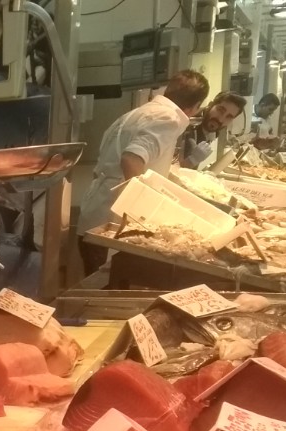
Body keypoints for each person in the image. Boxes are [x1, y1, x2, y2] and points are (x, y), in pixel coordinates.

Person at [77, 70, 210, 276]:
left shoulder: (138, 113)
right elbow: (131, 159)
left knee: (97, 283)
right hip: (112, 221)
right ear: (195, 106)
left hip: (97, 211)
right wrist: (143, 213)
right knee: (106, 290)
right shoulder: (168, 118)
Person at [176, 91, 246, 169]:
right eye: (220, 110)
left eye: (229, 117)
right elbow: (171, 169)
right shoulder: (187, 124)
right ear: (210, 105)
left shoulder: (213, 130)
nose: (221, 119)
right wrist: (192, 160)